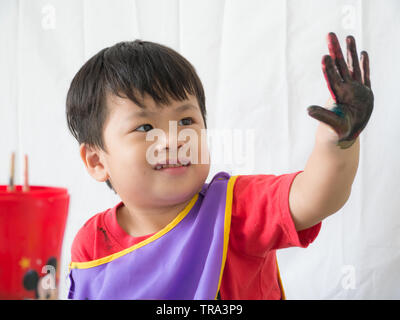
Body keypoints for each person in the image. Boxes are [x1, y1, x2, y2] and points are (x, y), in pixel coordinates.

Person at [65, 32, 373, 300]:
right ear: (96, 161)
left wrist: (338, 142)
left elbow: (315, 196)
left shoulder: (235, 208)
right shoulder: (92, 242)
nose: (173, 139)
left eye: (186, 121)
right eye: (145, 128)